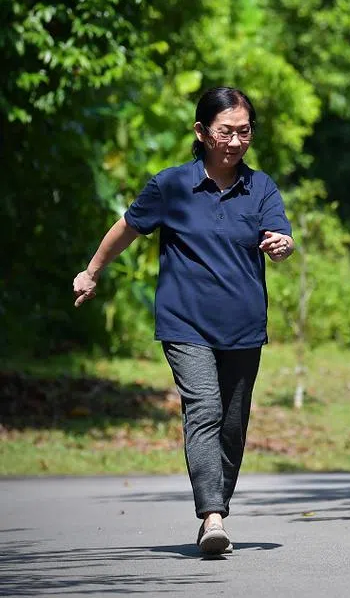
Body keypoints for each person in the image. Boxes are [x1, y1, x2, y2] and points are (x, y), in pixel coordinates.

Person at [72, 86, 294, 556]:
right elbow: (127, 228)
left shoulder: (261, 187)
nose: (235, 141)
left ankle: (218, 506)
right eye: (225, 131)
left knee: (233, 426)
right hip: (184, 322)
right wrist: (92, 271)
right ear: (201, 131)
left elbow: (280, 234)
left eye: (244, 131)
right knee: (205, 410)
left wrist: (282, 245)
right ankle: (212, 517)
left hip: (243, 327)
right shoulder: (171, 185)